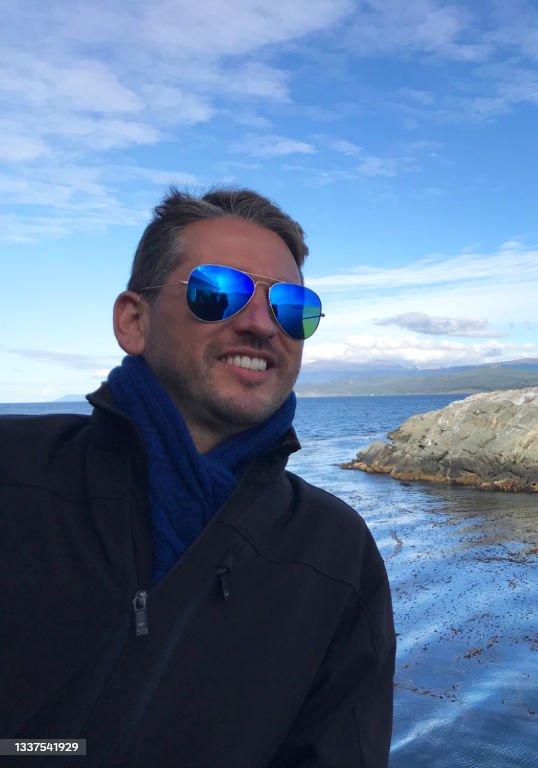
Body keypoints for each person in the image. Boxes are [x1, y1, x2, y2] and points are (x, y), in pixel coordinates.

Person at [0, 188, 396, 767]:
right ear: (133, 321)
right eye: (218, 293)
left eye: (293, 307)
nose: (263, 325)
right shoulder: (14, 476)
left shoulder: (336, 554)